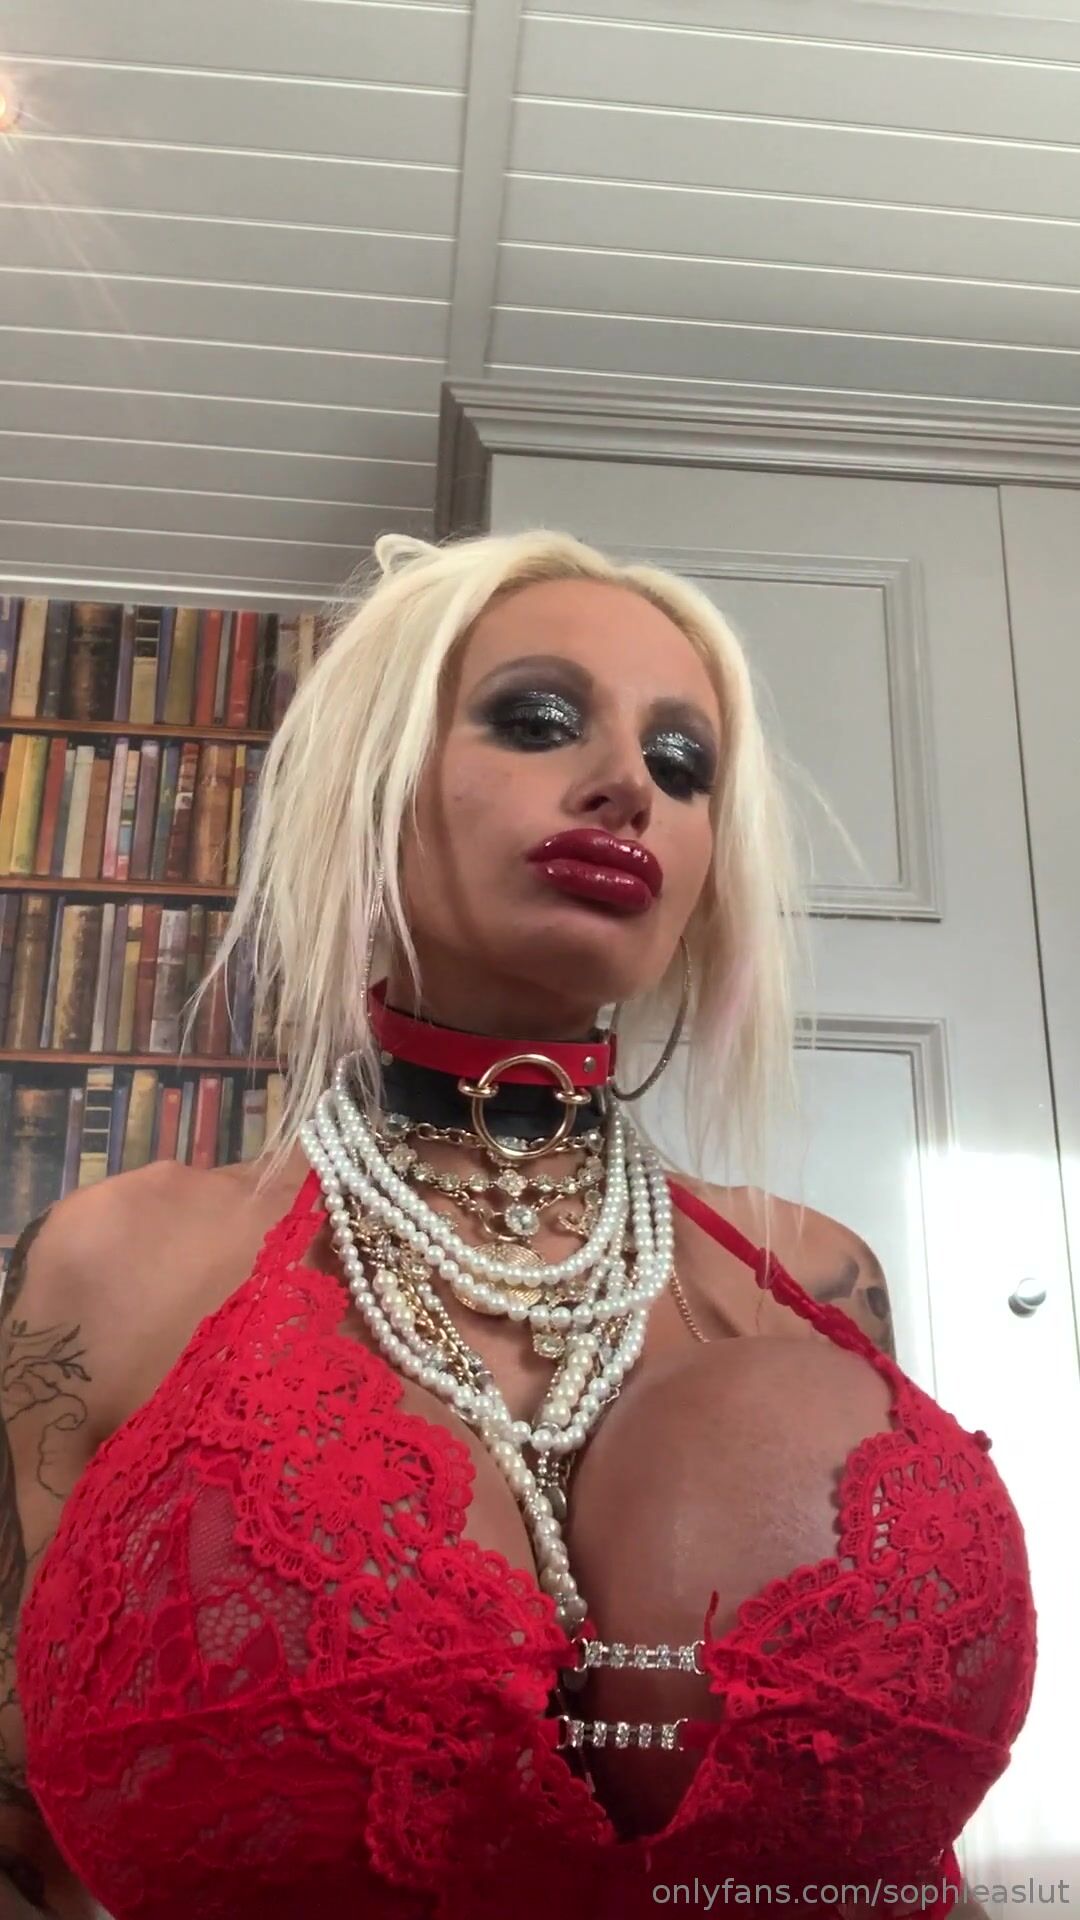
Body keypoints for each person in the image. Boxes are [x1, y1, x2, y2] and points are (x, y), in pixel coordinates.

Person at [2, 532, 1035, 1920]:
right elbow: (22, 1832)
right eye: (538, 719)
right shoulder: (118, 1265)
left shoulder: (810, 1276)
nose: (628, 785)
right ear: (374, 776)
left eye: (685, 765)